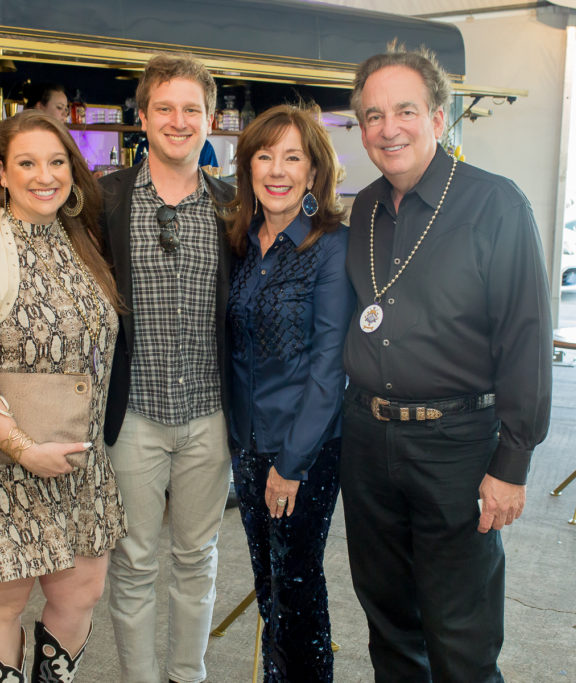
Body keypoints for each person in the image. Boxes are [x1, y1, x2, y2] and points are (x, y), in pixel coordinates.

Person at [341, 44, 553, 682]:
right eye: (373, 116)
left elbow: (526, 340)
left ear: (438, 118)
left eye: (405, 110)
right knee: (389, 625)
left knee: (461, 632)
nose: (388, 128)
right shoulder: (365, 210)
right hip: (369, 439)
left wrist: (511, 464)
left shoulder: (495, 206)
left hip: (456, 447)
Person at [0, 110, 126, 682]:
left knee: (81, 591)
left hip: (80, 464)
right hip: (6, 467)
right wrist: (22, 447)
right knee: (3, 602)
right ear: (2, 173)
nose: (45, 175)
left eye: (57, 162)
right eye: (28, 163)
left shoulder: (78, 241)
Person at [98, 53, 234, 683]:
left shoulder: (235, 207)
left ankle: (188, 675)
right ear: (143, 117)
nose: (178, 121)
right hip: (135, 418)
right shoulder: (104, 200)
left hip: (210, 416)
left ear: (210, 120)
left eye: (192, 109)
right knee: (133, 563)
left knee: (197, 556)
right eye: (165, 108)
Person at [224, 104, 353, 682]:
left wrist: (291, 466)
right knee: (268, 583)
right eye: (265, 155)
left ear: (314, 172)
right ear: (249, 167)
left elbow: (330, 367)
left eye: (293, 157)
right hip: (247, 447)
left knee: (298, 585)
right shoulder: (244, 242)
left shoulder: (330, 246)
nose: (277, 169)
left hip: (304, 452)